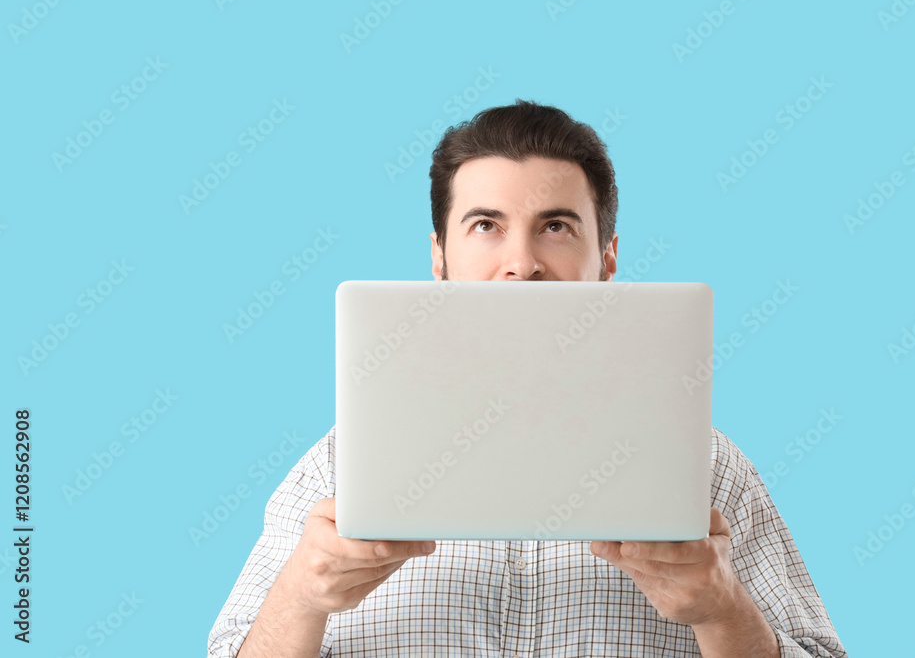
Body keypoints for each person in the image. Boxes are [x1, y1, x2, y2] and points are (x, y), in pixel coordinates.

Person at [208, 99, 847, 657]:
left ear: (608, 258)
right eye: (486, 225)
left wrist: (723, 610)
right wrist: (299, 599)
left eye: (556, 226)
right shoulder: (338, 469)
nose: (521, 263)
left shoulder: (705, 469)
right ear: (439, 256)